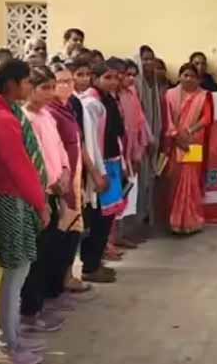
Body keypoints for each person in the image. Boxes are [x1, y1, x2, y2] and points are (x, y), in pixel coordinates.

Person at [0, 59, 49, 364]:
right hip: (11, 200)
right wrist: (41, 204)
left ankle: (13, 338)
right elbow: (20, 168)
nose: (30, 87)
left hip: (15, 198)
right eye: (27, 81)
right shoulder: (2, 119)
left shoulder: (4, 112)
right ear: (11, 84)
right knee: (15, 274)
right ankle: (6, 347)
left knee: (18, 272)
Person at [20, 66, 73, 337]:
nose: (51, 93)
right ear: (30, 88)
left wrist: (65, 172)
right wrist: (48, 185)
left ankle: (40, 306)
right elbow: (33, 158)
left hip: (55, 190)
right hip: (39, 194)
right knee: (36, 256)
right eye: (45, 88)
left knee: (49, 251)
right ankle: (29, 313)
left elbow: (59, 148)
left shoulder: (47, 115)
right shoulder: (26, 118)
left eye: (53, 87)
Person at [78, 59, 127, 282]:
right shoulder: (91, 103)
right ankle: (90, 266)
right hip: (100, 165)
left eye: (115, 77)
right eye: (107, 77)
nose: (113, 82)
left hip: (112, 162)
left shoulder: (109, 99)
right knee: (98, 217)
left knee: (107, 216)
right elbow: (91, 141)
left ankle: (96, 261)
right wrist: (97, 172)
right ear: (95, 78)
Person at [47, 63, 90, 296]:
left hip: (75, 175)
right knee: (63, 228)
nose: (66, 86)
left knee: (74, 228)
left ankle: (67, 276)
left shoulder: (69, 107)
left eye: (69, 81)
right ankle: (57, 281)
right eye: (60, 82)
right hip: (61, 179)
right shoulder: (51, 112)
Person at [163, 63, 213, 234]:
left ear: (198, 79)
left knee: (190, 181)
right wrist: (176, 136)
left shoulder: (203, 95)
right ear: (179, 77)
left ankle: (190, 221)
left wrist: (190, 131)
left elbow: (207, 118)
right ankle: (175, 220)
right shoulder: (170, 95)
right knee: (175, 181)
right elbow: (167, 119)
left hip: (194, 142)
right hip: (174, 141)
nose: (189, 79)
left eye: (192, 76)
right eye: (185, 75)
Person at [114, 59, 151, 247]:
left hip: (133, 150)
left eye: (133, 75)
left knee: (128, 193)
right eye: (127, 74)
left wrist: (141, 148)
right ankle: (111, 239)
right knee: (115, 196)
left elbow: (140, 120)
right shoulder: (115, 96)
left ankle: (121, 234)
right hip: (118, 151)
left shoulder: (132, 93)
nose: (130, 78)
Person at [136, 46, 166, 231]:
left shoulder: (154, 83)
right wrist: (146, 137)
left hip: (155, 135)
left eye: (151, 59)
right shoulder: (136, 84)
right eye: (144, 59)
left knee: (151, 177)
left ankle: (147, 214)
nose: (148, 63)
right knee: (140, 178)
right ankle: (138, 218)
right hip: (140, 139)